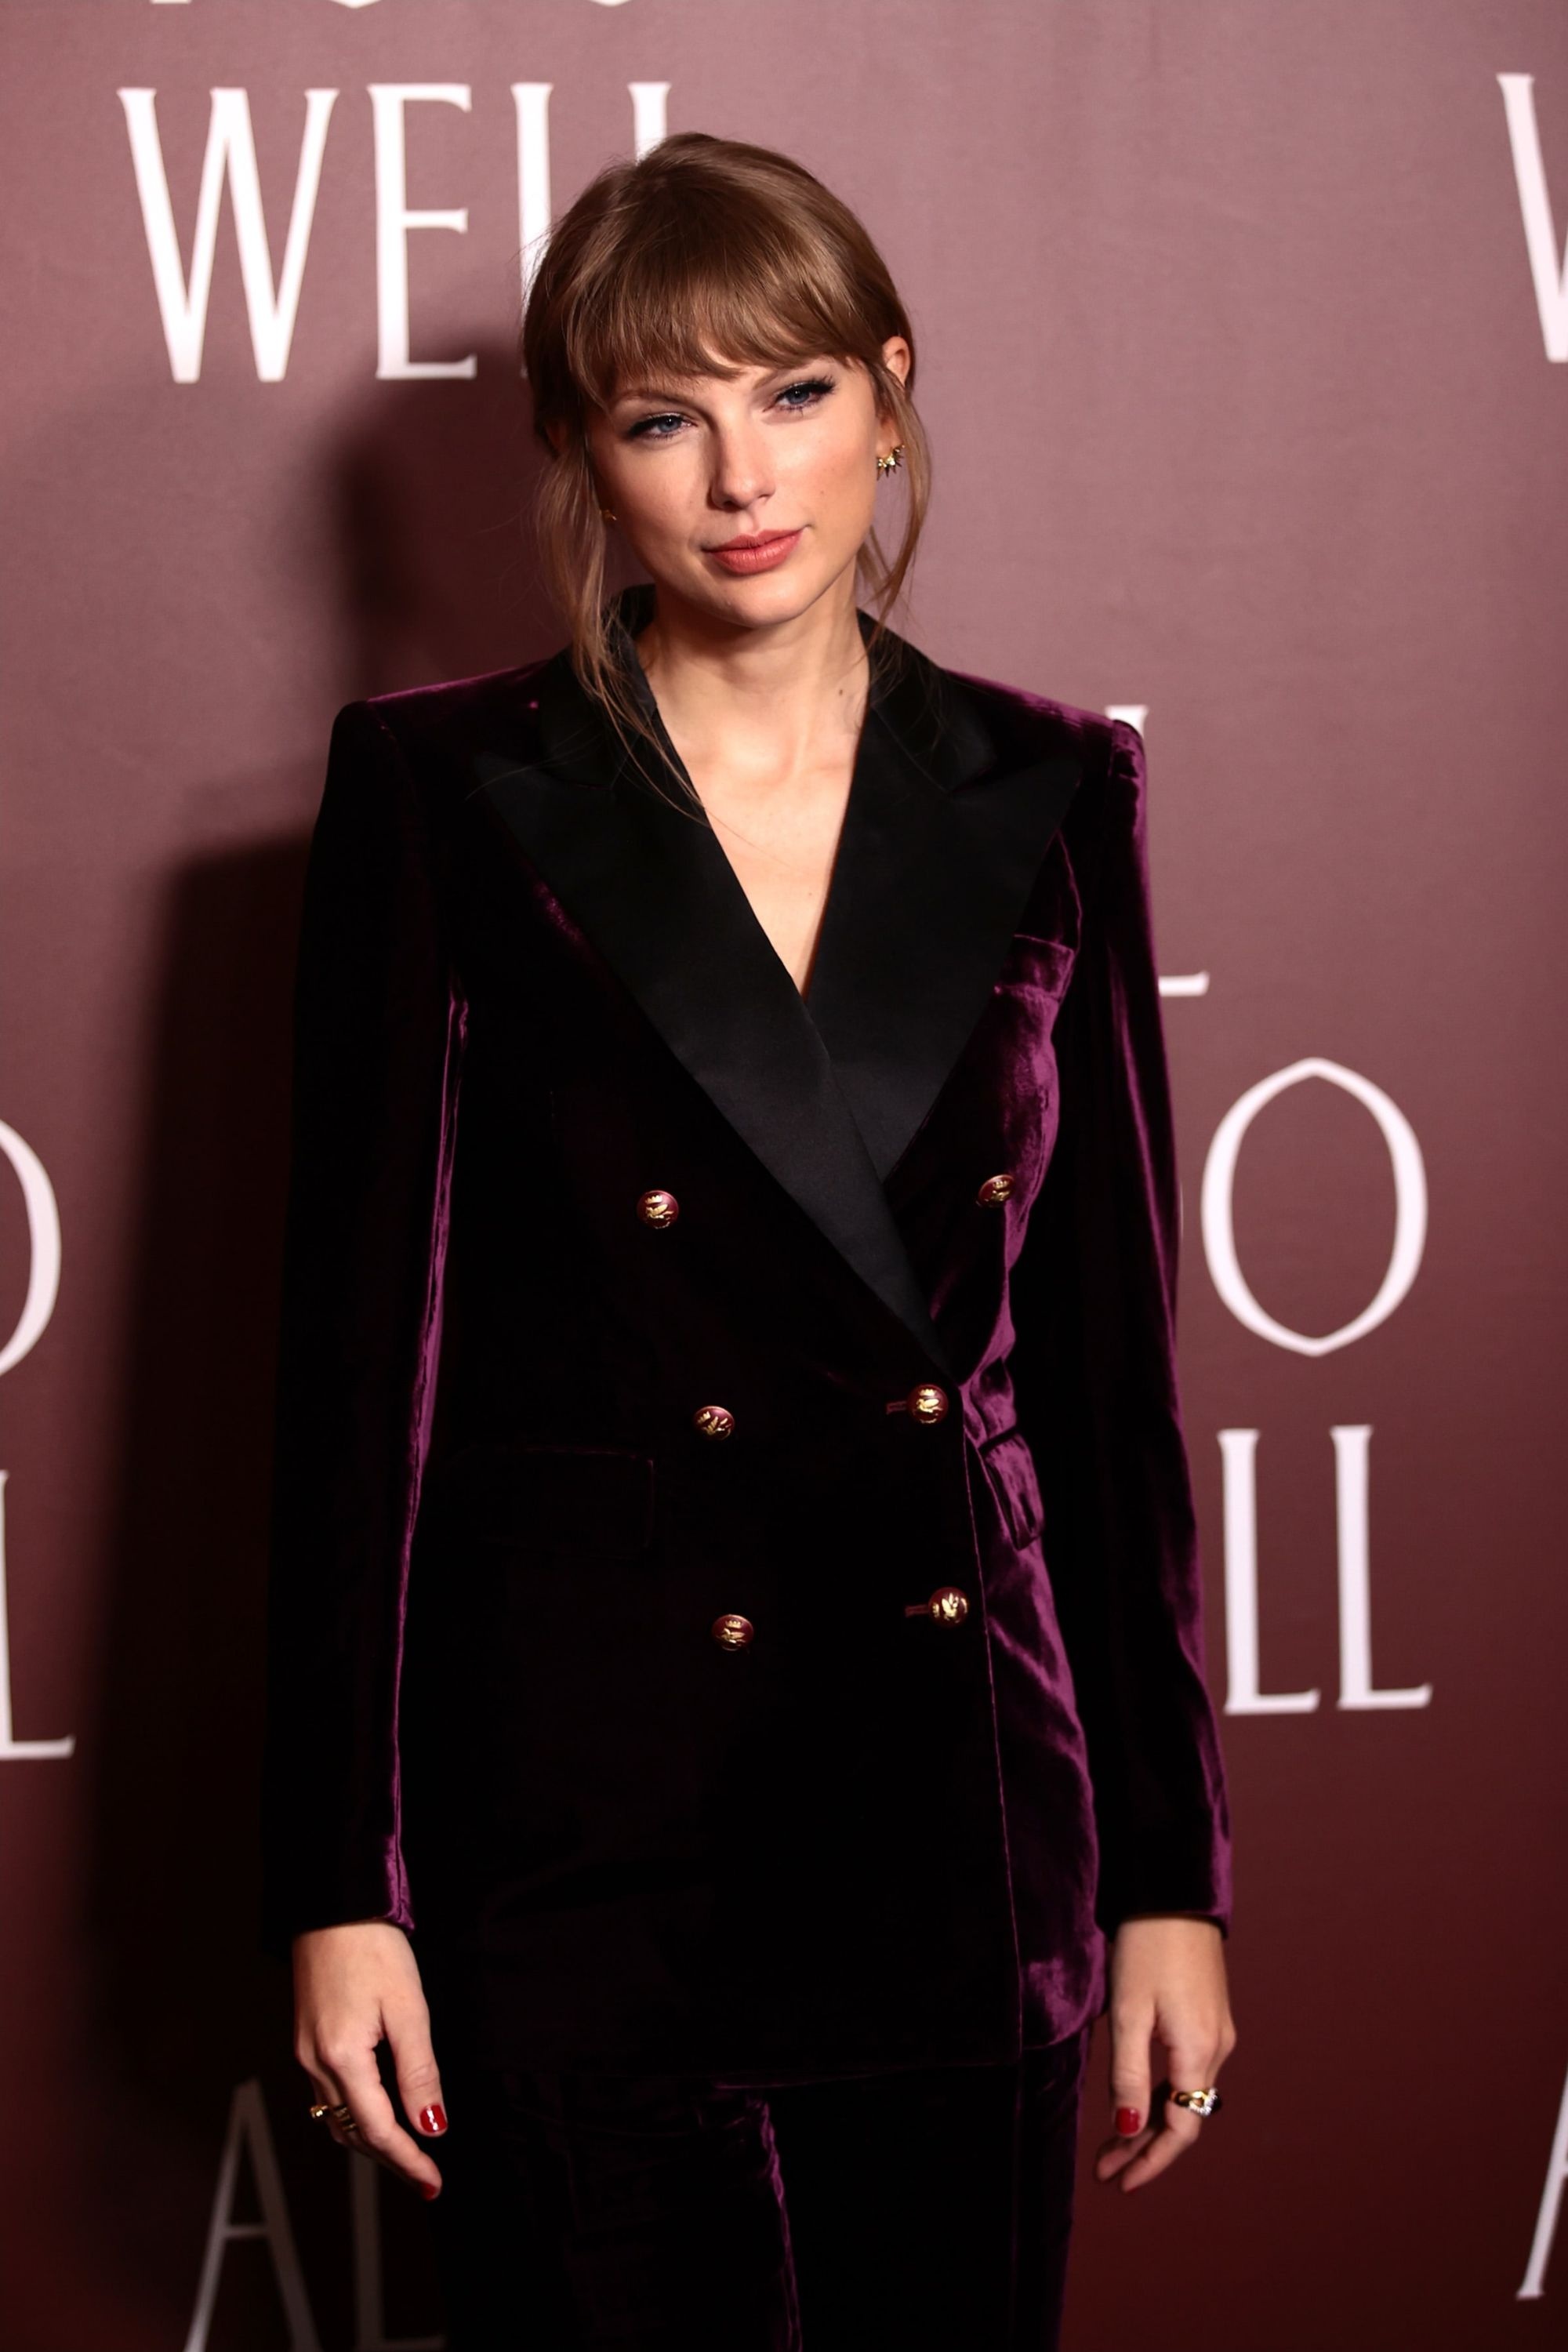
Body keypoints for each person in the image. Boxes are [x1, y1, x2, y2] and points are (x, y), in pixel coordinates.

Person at [260, 131, 1236, 2350]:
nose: (740, 478)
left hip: (960, 1822)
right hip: (588, 1834)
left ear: (890, 392)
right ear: (580, 454)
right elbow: (356, 1390)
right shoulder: (446, 796)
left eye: (793, 392)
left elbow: (1108, 1382)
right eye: (660, 415)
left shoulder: (1047, 787)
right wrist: (342, 1884)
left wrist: (1171, 1878)